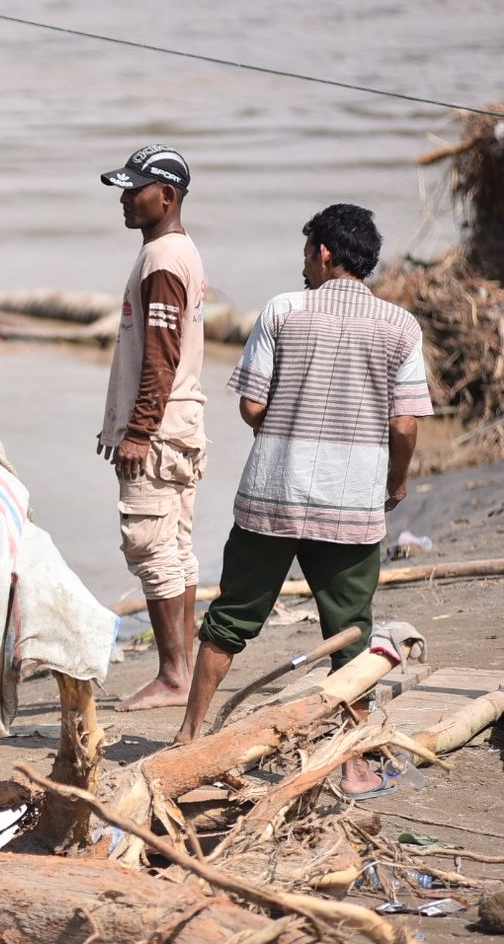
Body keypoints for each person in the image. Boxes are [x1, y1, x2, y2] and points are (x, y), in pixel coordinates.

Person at [175, 204, 431, 797]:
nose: (304, 265)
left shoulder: (283, 311)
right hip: (352, 504)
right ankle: (353, 761)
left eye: (306, 253)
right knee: (351, 628)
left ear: (322, 252)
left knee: (231, 619)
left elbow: (252, 407)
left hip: (274, 495)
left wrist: (292, 424)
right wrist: (395, 483)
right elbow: (405, 425)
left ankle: (189, 735)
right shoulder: (400, 327)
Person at [96, 145, 208, 712]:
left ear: (166, 196)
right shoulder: (174, 252)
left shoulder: (163, 259)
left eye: (134, 189)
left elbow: (159, 358)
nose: (123, 198)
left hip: (160, 431)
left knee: (151, 547)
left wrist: (137, 431)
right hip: (181, 421)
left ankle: (173, 676)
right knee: (176, 548)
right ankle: (182, 670)